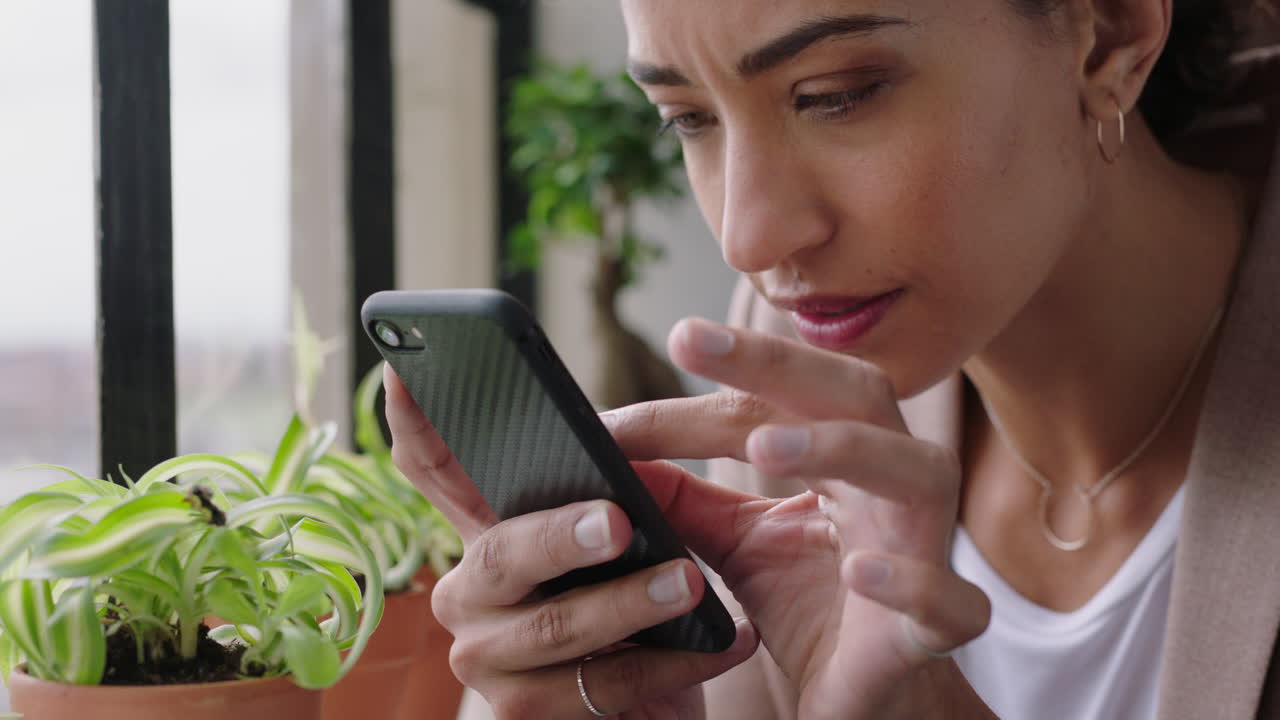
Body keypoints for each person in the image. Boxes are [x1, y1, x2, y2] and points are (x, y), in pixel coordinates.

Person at [383, 0, 1280, 717]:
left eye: (834, 94)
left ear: (1111, 35)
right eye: (684, 119)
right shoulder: (790, 370)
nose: (747, 236)